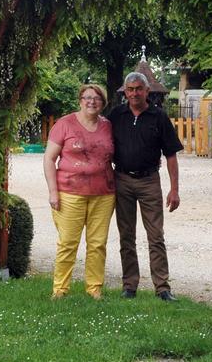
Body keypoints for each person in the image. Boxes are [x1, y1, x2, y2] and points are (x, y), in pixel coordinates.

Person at [109, 71, 183, 302]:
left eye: (138, 89)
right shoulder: (116, 115)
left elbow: (171, 155)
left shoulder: (159, 117)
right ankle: (129, 285)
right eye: (130, 89)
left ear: (147, 91)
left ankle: (162, 287)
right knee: (126, 236)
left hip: (149, 181)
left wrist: (174, 189)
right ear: (125, 91)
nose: (134, 93)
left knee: (156, 236)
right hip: (121, 180)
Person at [43, 84, 115, 300]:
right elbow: (49, 158)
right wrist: (53, 192)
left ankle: (94, 289)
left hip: (104, 193)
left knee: (97, 243)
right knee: (67, 242)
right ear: (80, 100)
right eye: (87, 97)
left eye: (97, 98)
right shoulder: (64, 124)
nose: (91, 102)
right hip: (69, 192)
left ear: (103, 103)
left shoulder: (108, 126)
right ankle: (60, 289)